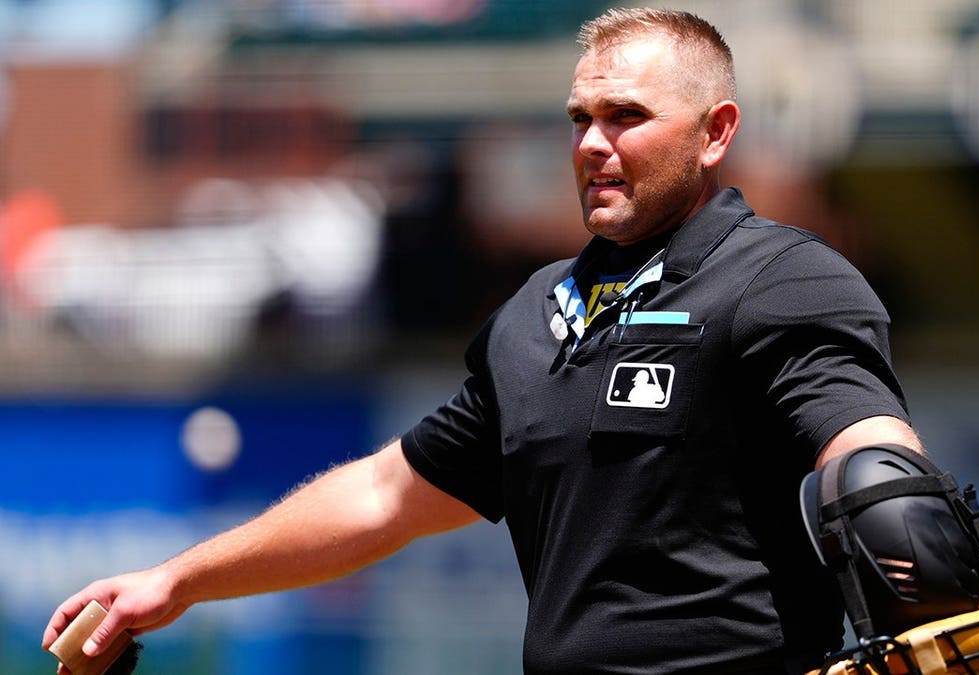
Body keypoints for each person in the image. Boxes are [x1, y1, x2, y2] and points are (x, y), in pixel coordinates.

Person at [43, 8, 925, 674]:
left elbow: (876, 459)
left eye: (626, 116)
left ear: (715, 132)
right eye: (579, 118)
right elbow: (384, 496)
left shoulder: (780, 276)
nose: (592, 143)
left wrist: (915, 541)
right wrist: (178, 581)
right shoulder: (539, 313)